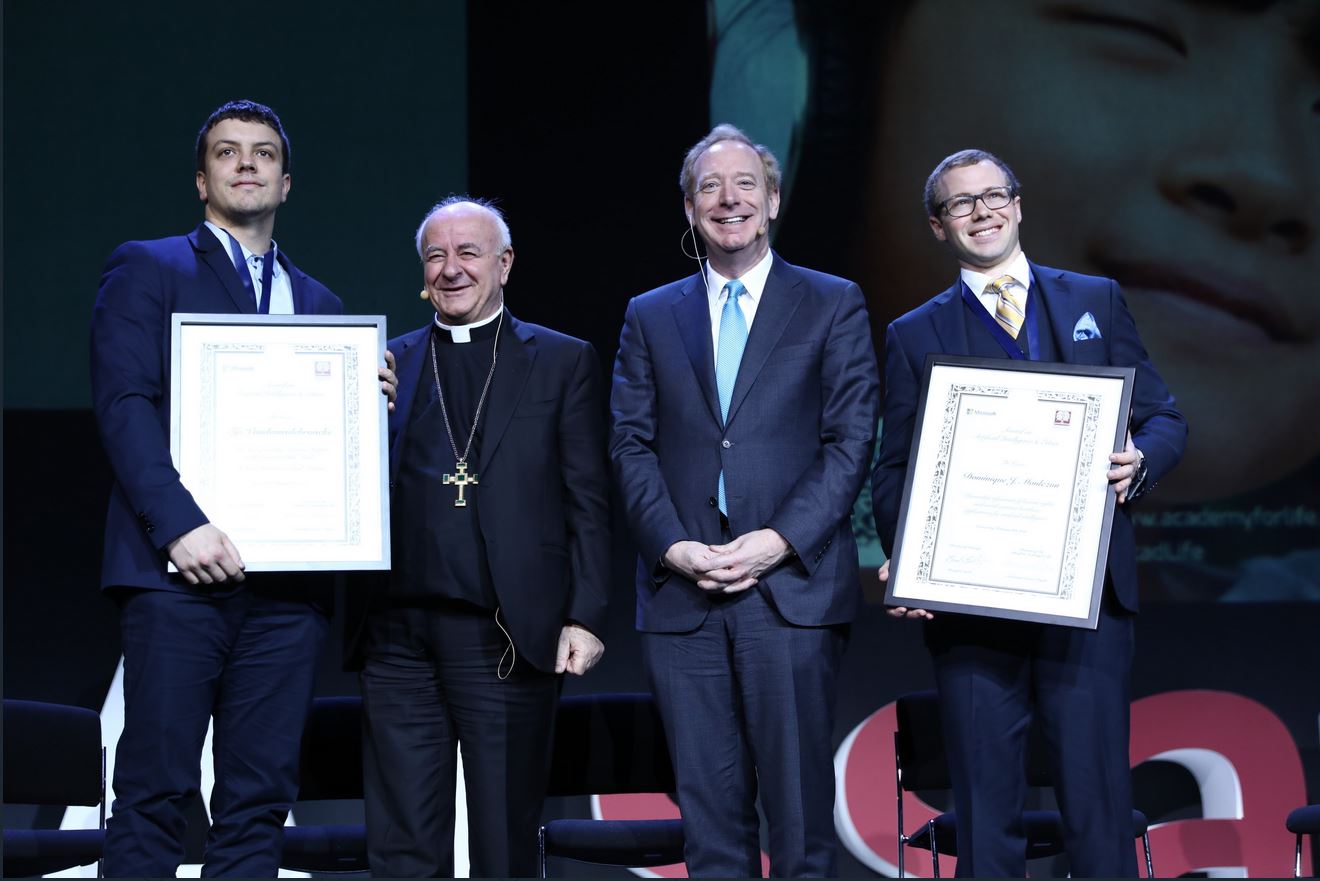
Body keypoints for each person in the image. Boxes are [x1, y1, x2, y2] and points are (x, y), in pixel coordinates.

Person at [90, 99, 396, 877]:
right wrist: (180, 525)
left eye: (263, 153)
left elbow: (339, 449)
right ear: (202, 179)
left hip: (288, 589)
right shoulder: (149, 266)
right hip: (178, 575)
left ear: (287, 183)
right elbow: (124, 405)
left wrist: (365, 398)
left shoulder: (324, 306)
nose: (247, 163)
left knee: (258, 800)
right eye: (228, 153)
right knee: (156, 791)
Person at [872, 149, 1188, 877]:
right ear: (937, 226)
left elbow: (1165, 418)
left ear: (1018, 205)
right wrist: (910, 559)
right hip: (970, 606)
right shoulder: (914, 334)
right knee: (986, 809)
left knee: (1097, 802)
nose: (981, 212)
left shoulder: (1094, 300)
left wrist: (1141, 462)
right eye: (961, 204)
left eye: (993, 196)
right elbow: (894, 471)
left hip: (1087, 601)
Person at [610, 124, 879, 877]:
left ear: (774, 199)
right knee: (711, 826)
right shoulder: (649, 313)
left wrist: (777, 540)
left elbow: (850, 440)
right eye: (710, 188)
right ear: (690, 208)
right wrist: (672, 545)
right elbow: (628, 444)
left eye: (745, 185)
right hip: (682, 594)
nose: (729, 200)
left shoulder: (831, 302)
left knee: (799, 827)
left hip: (788, 593)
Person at [356, 196, 610, 877]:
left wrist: (585, 612)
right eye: (436, 255)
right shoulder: (384, 365)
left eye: (468, 252)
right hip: (396, 637)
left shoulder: (561, 360)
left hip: (500, 636)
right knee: (403, 843)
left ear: (504, 263)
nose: (451, 268)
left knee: (503, 840)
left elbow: (587, 496)